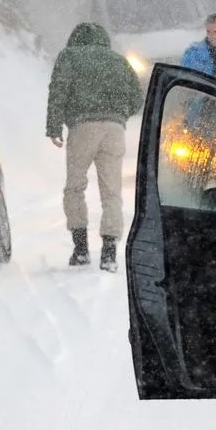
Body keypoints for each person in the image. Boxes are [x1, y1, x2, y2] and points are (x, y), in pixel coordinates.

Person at [46, 22, 143, 269]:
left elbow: (58, 91)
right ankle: (109, 251)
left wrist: (54, 127)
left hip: (82, 128)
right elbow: (136, 97)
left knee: (75, 186)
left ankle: (80, 249)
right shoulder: (119, 60)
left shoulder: (69, 57)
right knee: (112, 191)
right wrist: (118, 115)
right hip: (114, 130)